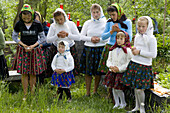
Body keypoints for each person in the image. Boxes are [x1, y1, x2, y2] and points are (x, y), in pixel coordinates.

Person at [97, 2, 132, 103]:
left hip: (122, 48)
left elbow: (129, 35)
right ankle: (111, 95)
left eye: (113, 14)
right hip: (111, 47)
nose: (112, 17)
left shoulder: (127, 22)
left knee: (119, 72)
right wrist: (111, 31)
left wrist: (120, 30)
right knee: (110, 72)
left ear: (119, 13)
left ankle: (122, 98)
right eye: (110, 15)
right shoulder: (109, 22)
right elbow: (103, 37)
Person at [121, 16, 157, 113]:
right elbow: (136, 49)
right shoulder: (137, 36)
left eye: (143, 26)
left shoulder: (151, 38)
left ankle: (142, 108)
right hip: (135, 63)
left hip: (144, 66)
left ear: (148, 26)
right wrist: (133, 50)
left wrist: (139, 52)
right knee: (135, 88)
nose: (141, 29)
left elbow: (153, 54)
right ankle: (136, 106)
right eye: (139, 26)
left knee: (140, 89)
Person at [12, 4, 46, 99]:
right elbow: (14, 36)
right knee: (24, 73)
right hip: (23, 51)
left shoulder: (37, 24)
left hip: (34, 50)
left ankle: (32, 94)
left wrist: (33, 45)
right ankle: (25, 94)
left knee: (33, 72)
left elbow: (43, 38)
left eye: (28, 15)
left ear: (32, 14)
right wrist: (23, 44)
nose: (26, 17)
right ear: (21, 15)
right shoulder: (19, 24)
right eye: (24, 14)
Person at [80, 4, 107, 96]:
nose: (95, 14)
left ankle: (95, 91)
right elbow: (82, 36)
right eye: (94, 12)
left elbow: (108, 37)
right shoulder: (88, 23)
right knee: (88, 71)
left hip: (100, 48)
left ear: (101, 12)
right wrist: (90, 39)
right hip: (89, 48)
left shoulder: (105, 23)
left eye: (97, 12)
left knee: (97, 71)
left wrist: (99, 39)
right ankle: (87, 92)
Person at [47, 8, 80, 77]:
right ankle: (57, 82)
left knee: (69, 66)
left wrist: (68, 35)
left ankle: (69, 82)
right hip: (57, 48)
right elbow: (48, 40)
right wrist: (57, 36)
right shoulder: (53, 26)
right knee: (57, 66)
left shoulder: (71, 24)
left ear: (64, 17)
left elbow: (78, 37)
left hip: (69, 47)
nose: (60, 21)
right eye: (57, 20)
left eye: (61, 19)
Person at [103, 31, 132, 109]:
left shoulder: (128, 51)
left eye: (121, 38)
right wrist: (111, 66)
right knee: (113, 88)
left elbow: (128, 62)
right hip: (112, 71)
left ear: (125, 39)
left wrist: (119, 68)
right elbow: (109, 60)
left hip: (120, 72)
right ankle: (116, 103)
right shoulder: (113, 49)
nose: (119, 40)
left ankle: (123, 102)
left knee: (119, 89)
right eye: (117, 38)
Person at [35, 11, 51, 84]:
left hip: (43, 51)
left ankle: (41, 84)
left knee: (41, 69)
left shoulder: (46, 28)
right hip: (34, 50)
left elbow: (49, 41)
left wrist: (41, 45)